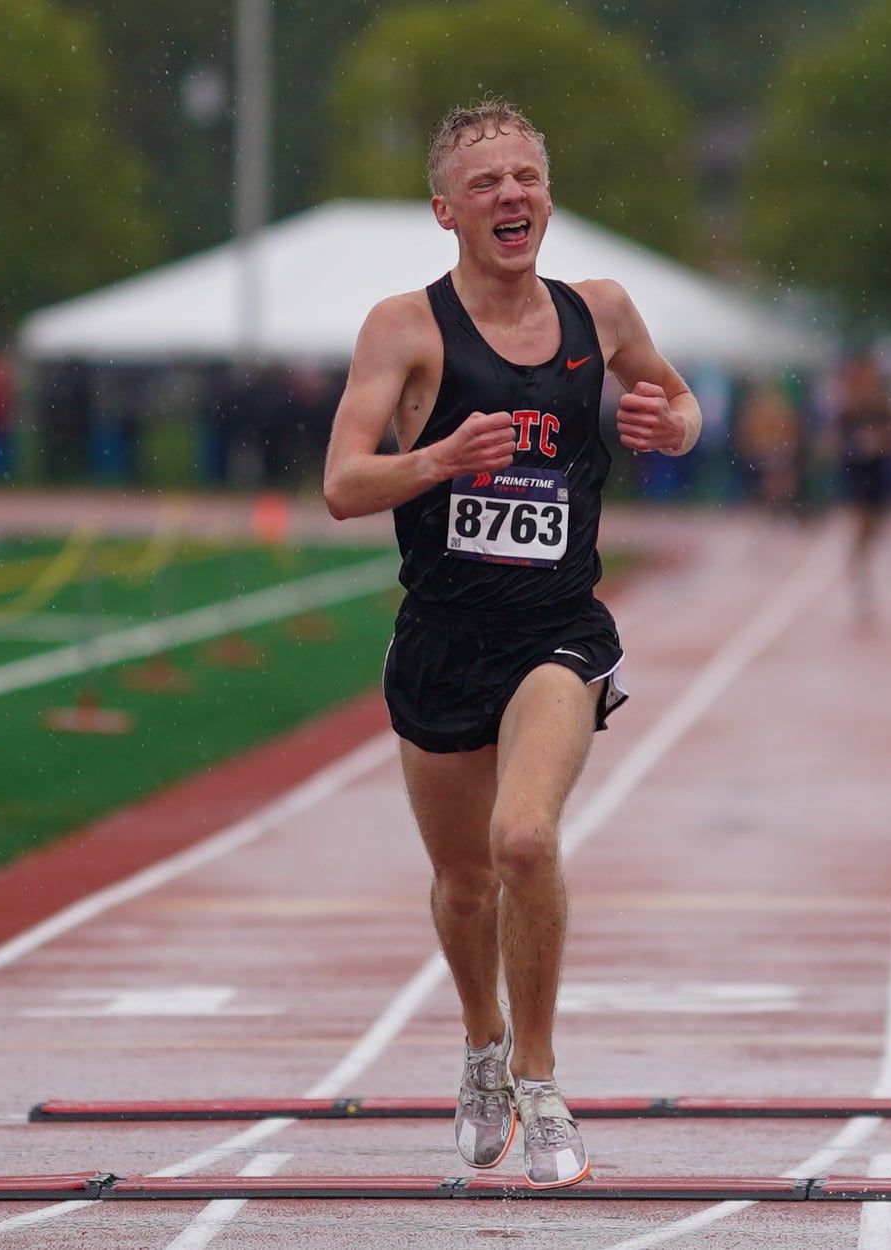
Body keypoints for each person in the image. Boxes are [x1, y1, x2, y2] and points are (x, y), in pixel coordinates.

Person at [322, 97, 701, 1189]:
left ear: (548, 195)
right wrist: (437, 459)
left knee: (523, 839)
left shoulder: (601, 312)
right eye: (485, 182)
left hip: (557, 630)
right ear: (445, 210)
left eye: (525, 176)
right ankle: (482, 1043)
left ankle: (539, 1077)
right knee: (462, 882)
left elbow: (677, 404)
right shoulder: (403, 327)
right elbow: (344, 484)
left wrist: (667, 424)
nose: (510, 195)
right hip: (442, 637)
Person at [832, 353, 891, 622]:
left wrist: (880, 441)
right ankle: (860, 576)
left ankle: (860, 565)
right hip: (857, 473)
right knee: (862, 525)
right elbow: (834, 440)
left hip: (880, 473)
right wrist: (856, 446)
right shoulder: (849, 408)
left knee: (876, 528)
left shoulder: (883, 405)